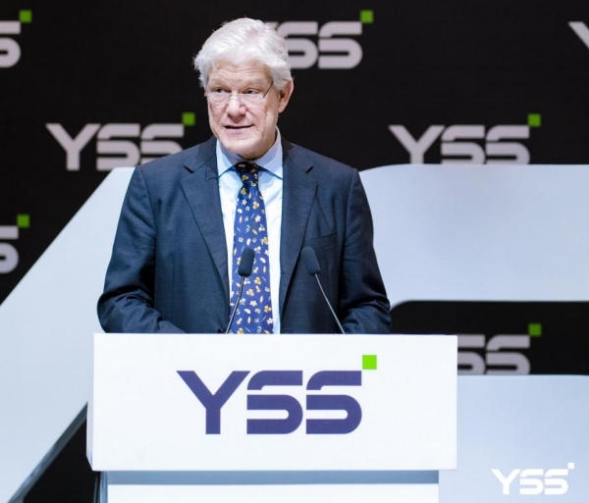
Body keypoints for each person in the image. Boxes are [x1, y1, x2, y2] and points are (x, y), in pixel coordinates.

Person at [97, 17, 390, 335]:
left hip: (303, 369)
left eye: (250, 91)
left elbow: (367, 307)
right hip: (190, 368)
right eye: (220, 91)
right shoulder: (156, 186)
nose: (233, 109)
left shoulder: (337, 187)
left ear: (283, 95)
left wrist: (329, 360)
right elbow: (121, 301)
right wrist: (188, 355)